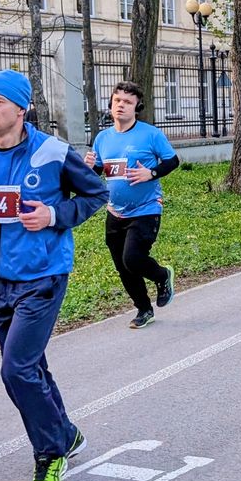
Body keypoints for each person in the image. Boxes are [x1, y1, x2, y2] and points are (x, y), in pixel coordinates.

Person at [0, 70, 108, 481]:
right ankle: (64, 433)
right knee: (29, 366)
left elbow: (96, 194)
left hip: (42, 275)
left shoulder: (52, 152)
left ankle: (50, 455)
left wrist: (54, 216)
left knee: (16, 370)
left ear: (22, 109)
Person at [84, 81, 180, 330]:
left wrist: (151, 173)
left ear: (137, 107)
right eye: (117, 100)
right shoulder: (102, 138)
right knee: (123, 266)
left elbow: (172, 161)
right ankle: (143, 309)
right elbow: (97, 172)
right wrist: (88, 168)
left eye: (127, 102)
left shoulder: (150, 134)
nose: (121, 105)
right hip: (115, 211)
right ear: (111, 104)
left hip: (146, 208)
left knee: (133, 258)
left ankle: (162, 275)